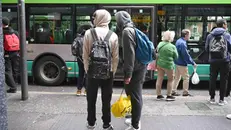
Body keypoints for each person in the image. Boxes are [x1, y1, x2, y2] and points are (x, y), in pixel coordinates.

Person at [83, 9, 119, 130]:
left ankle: (91, 123)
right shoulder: (113, 35)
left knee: (91, 99)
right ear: (107, 19)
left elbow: (85, 54)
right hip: (107, 72)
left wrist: (87, 69)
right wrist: (112, 71)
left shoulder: (88, 33)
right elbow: (115, 57)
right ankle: (106, 124)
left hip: (92, 72)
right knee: (106, 99)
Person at [115, 11, 147, 130]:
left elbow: (129, 54)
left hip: (135, 69)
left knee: (135, 96)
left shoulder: (126, 32)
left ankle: (136, 125)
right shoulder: (132, 28)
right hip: (139, 66)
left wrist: (128, 74)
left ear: (119, 21)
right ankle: (134, 121)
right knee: (134, 95)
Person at [205, 19, 231, 106]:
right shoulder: (227, 35)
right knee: (224, 80)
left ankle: (212, 98)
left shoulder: (210, 35)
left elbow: (206, 48)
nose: (226, 25)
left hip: (213, 60)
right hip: (225, 61)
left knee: (212, 79)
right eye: (226, 24)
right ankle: (221, 100)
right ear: (223, 25)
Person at [172, 29, 197, 96]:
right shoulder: (183, 43)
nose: (190, 36)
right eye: (189, 35)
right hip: (182, 63)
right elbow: (185, 55)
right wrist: (192, 62)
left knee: (177, 78)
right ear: (186, 35)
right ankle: (185, 92)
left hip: (177, 62)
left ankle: (173, 91)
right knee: (186, 78)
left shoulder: (178, 41)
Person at [156, 31, 178, 101]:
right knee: (170, 80)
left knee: (159, 79)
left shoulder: (160, 44)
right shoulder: (172, 46)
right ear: (171, 37)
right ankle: (169, 95)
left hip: (159, 64)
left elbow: (157, 52)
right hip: (168, 66)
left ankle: (159, 95)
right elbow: (176, 56)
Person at [2, 17, 20, 93]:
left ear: (2, 24)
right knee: (15, 69)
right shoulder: (14, 32)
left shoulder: (2, 32)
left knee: (7, 71)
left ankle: (13, 87)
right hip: (15, 53)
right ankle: (15, 82)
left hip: (7, 54)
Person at [74, 24, 92, 96]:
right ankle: (86, 91)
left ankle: (79, 90)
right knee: (87, 74)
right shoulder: (90, 39)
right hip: (88, 58)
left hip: (79, 58)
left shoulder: (77, 39)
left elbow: (74, 49)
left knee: (81, 73)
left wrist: (77, 55)